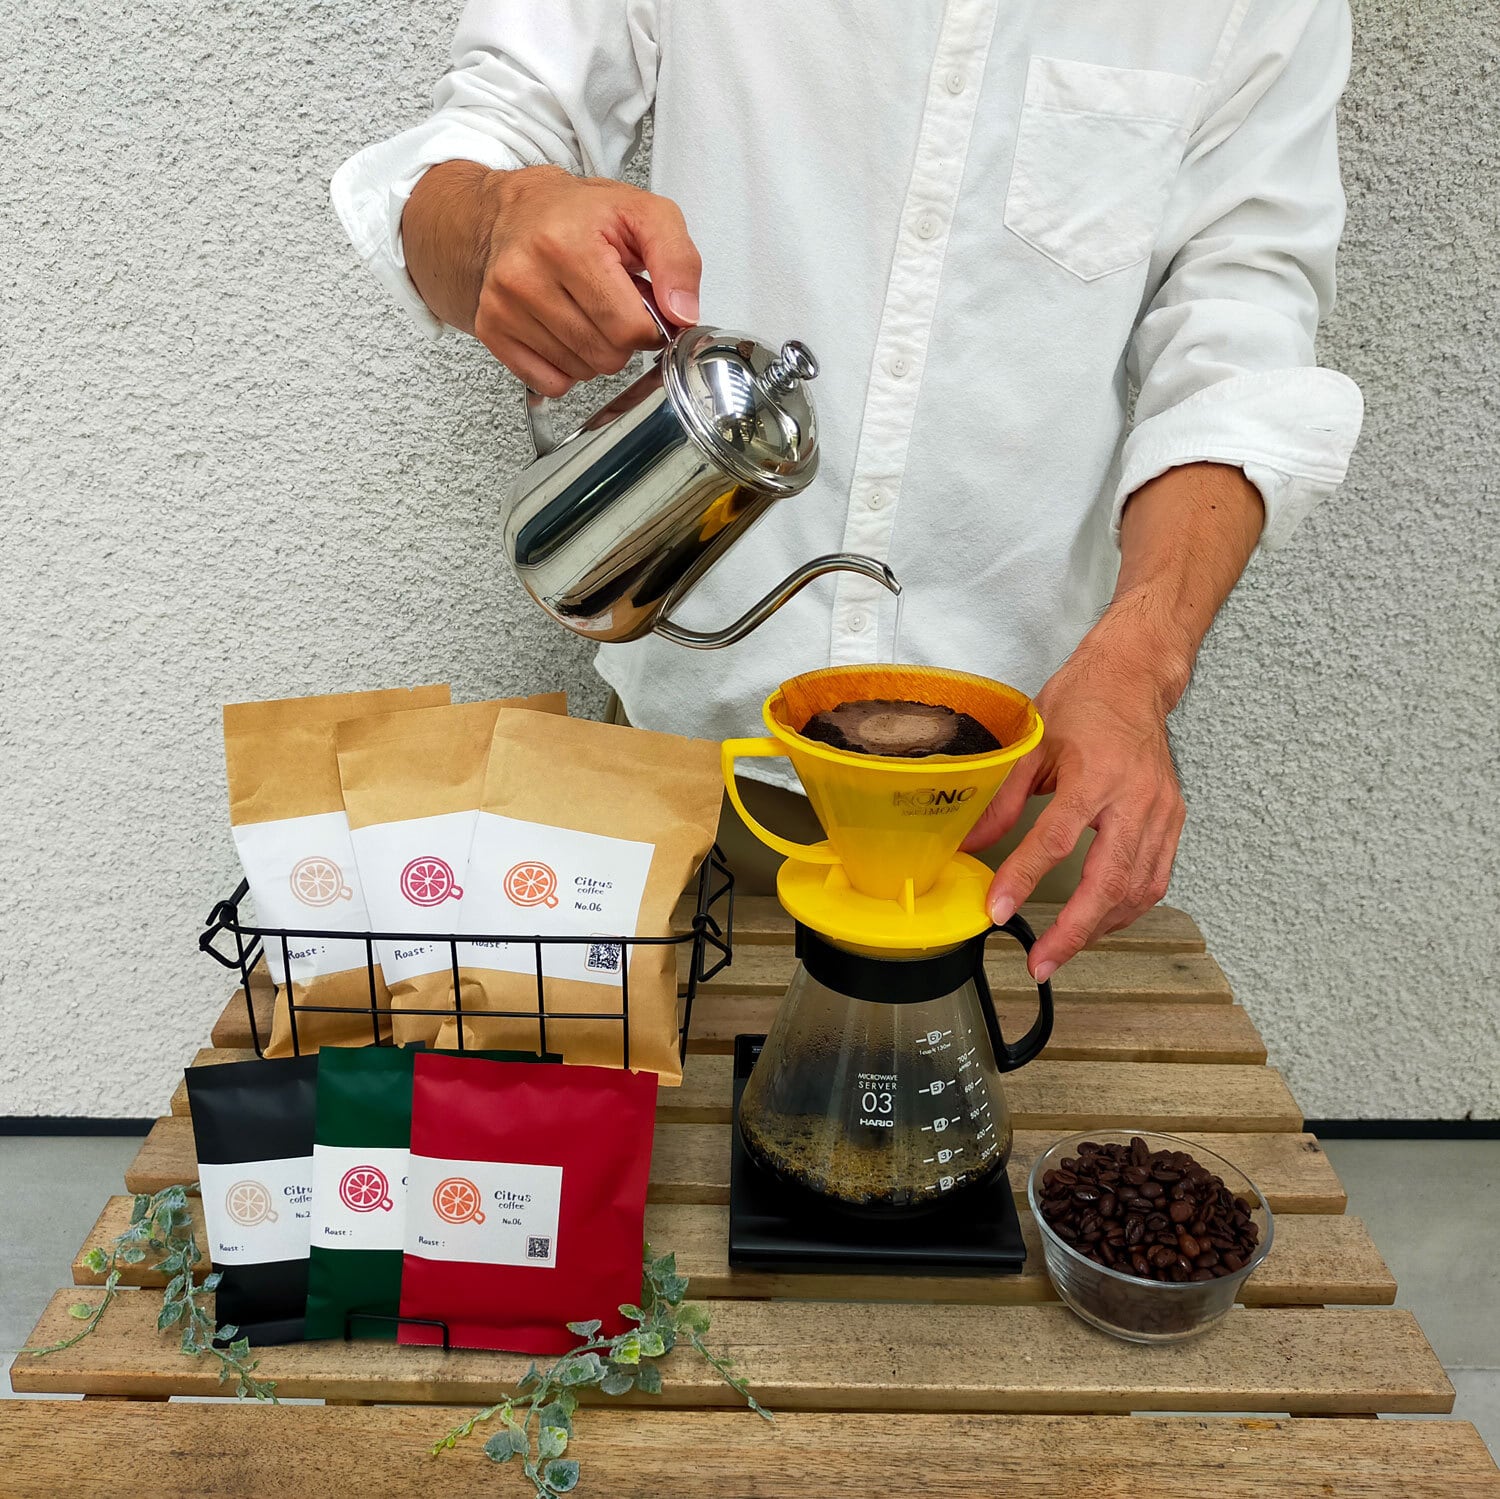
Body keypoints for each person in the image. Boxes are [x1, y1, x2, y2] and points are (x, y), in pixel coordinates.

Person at [332, 1, 1362, 983]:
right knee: (644, 1105)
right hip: (687, 787)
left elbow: (1238, 344)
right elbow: (464, 157)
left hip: (1010, 810)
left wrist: (1142, 658)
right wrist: (498, 221)